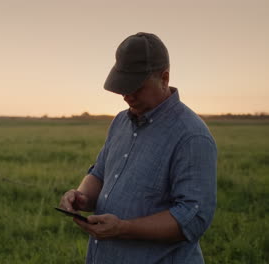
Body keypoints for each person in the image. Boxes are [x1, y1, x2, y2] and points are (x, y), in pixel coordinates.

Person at [58, 32, 217, 263]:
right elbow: (100, 173)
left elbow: (191, 219)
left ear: (164, 78)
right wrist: (81, 197)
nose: (126, 96)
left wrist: (123, 228)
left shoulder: (191, 136)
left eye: (136, 87)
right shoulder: (120, 121)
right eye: (123, 87)